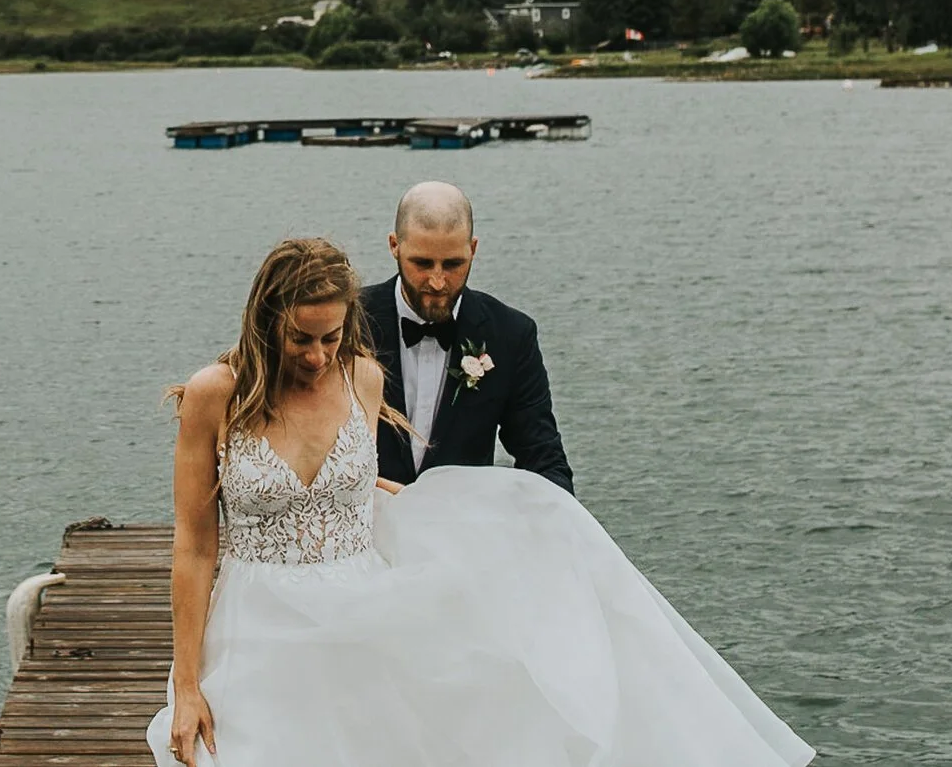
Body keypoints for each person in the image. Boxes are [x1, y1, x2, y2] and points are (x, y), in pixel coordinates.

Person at [149, 237, 814, 767]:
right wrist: (185, 684)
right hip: (257, 625)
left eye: (331, 335)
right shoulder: (218, 393)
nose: (320, 355)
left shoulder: (363, 375)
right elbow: (195, 542)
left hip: (361, 616)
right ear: (267, 323)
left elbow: (347, 480)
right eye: (302, 339)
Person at [360, 180, 570, 491]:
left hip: (460, 532)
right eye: (422, 263)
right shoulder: (348, 324)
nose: (437, 281)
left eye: (453, 264)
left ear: (472, 250)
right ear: (395, 246)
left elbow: (543, 459)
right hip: (366, 528)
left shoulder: (512, 335)